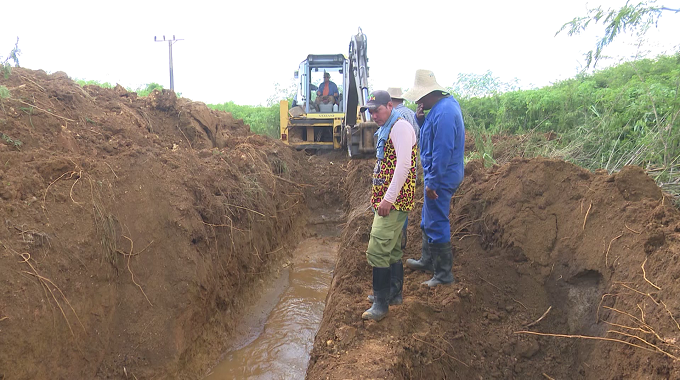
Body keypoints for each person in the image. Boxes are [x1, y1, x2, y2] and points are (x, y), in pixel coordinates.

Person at [402, 69, 465, 287]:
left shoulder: (445, 113)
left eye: (419, 97)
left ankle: (443, 275)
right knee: (428, 219)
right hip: (436, 174)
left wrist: (433, 183)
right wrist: (421, 121)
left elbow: (443, 151)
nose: (418, 101)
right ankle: (428, 260)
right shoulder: (439, 109)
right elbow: (431, 138)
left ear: (429, 93)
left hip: (442, 176)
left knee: (437, 221)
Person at [361, 90, 417, 321]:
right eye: (370, 111)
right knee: (392, 249)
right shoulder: (387, 127)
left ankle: (381, 304)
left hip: (394, 202)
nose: (374, 115)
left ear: (390, 105)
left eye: (378, 110)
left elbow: (403, 166)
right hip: (388, 200)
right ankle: (394, 294)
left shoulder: (400, 127)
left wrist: (388, 199)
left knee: (377, 249)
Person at [387, 87, 419, 250]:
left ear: (390, 102)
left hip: (400, 166)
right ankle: (400, 235)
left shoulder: (397, 118)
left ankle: (398, 237)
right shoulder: (412, 114)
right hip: (411, 163)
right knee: (404, 200)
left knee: (397, 200)